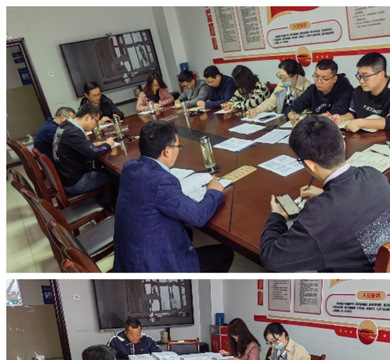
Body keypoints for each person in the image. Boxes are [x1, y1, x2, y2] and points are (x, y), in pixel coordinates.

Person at [259, 116, 390, 272]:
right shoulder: (373, 175)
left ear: (309, 164)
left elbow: (271, 258)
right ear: (343, 145)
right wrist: (326, 194)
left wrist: (277, 218)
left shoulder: (319, 214)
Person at [113, 121, 234, 272]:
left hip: (126, 260)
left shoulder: (129, 167)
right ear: (167, 151)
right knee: (225, 253)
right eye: (178, 146)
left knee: (186, 233)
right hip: (153, 269)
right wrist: (213, 192)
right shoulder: (162, 181)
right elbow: (198, 216)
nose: (179, 150)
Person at [52, 103, 116, 206]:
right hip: (77, 182)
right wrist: (108, 144)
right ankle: (108, 206)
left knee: (105, 170)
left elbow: (78, 144)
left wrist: (92, 143)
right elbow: (93, 153)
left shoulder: (66, 126)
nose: (96, 125)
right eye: (96, 121)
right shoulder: (73, 132)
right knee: (115, 175)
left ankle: (106, 204)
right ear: (87, 117)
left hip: (68, 176)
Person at [330, 52, 390, 132]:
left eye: (365, 76)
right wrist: (342, 118)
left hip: (388, 137)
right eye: (359, 76)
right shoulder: (359, 91)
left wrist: (362, 123)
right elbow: (353, 113)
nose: (361, 81)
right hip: (363, 136)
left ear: (381, 74)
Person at [286, 58, 354, 124]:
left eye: (324, 78)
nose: (318, 81)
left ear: (334, 79)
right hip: (316, 126)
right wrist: (292, 115)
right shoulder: (312, 89)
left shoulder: (345, 89)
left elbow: (337, 111)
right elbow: (293, 107)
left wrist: (310, 120)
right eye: (316, 76)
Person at [246, 58, 311, 118]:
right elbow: (271, 101)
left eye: (284, 77)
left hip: (297, 121)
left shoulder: (307, 87)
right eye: (280, 77)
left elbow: (306, 113)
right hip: (281, 119)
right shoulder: (283, 83)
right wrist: (257, 109)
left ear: (295, 76)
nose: (282, 80)